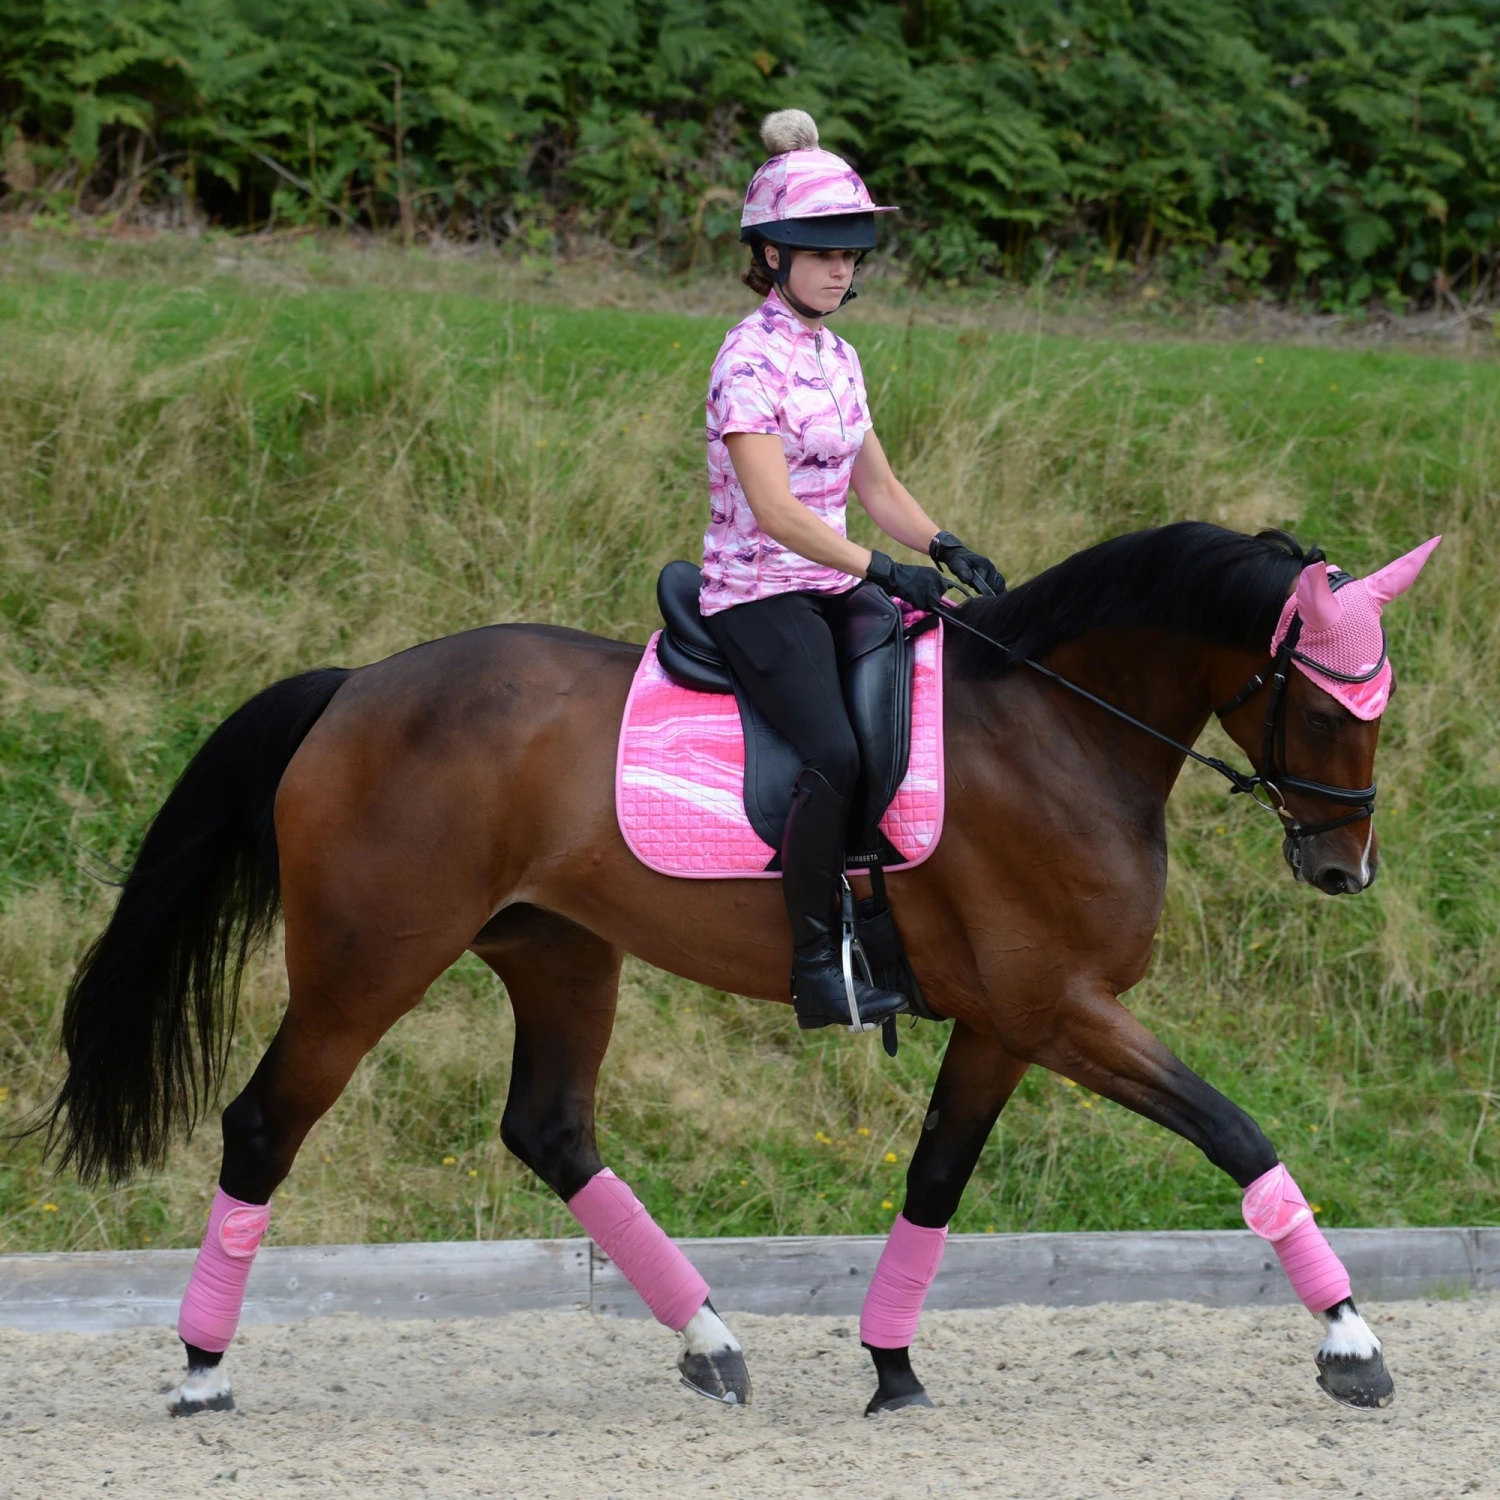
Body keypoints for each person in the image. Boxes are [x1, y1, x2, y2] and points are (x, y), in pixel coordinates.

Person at [701, 109, 1004, 1034]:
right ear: (772, 253)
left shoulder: (839, 357)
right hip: (756, 593)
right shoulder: (745, 360)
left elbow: (877, 485)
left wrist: (942, 544)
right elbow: (776, 511)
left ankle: (892, 920)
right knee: (830, 754)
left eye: (851, 256)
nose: (841, 269)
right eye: (821, 252)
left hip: (835, 583)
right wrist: (884, 569)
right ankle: (814, 971)